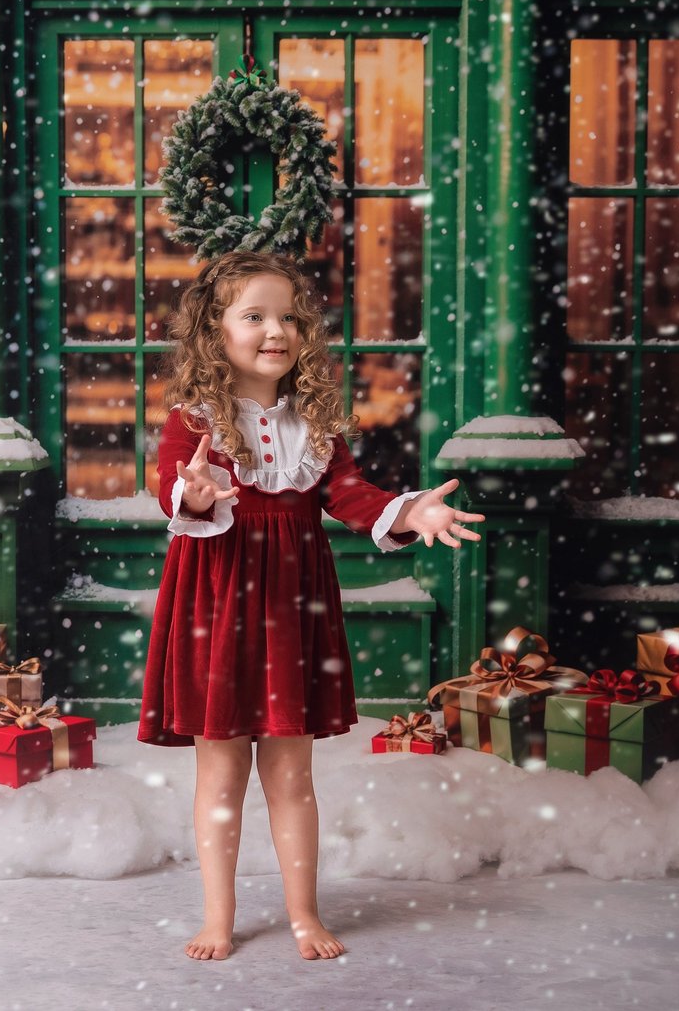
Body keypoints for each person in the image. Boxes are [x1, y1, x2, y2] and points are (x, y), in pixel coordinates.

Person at [137, 251, 483, 961]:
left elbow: (350, 495)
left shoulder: (315, 423)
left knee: (293, 774)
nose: (277, 330)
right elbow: (174, 485)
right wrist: (193, 494)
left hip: (292, 606)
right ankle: (219, 917)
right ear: (214, 330)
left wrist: (409, 511)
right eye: (255, 316)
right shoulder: (193, 421)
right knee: (220, 773)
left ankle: (303, 913)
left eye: (290, 317)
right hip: (218, 600)